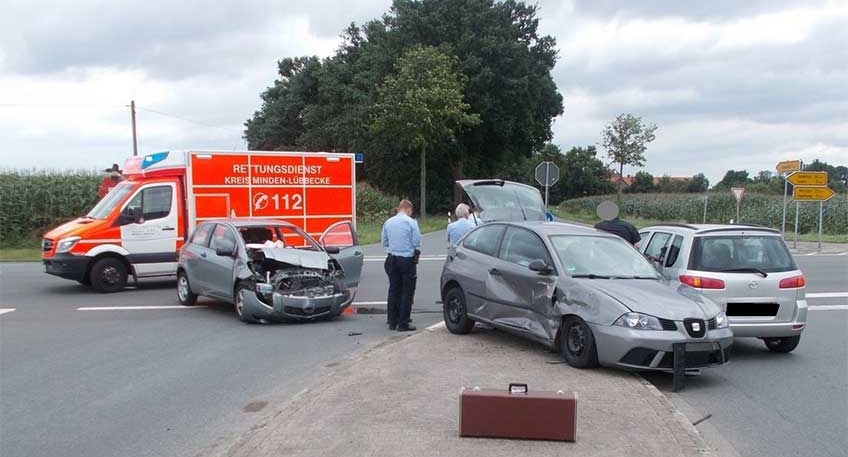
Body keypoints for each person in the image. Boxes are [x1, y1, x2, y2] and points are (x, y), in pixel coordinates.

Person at [381, 199, 421, 332]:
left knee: (393, 290)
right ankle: (403, 323)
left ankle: (392, 321)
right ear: (408, 209)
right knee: (407, 292)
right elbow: (416, 242)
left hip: (392, 258)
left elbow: (384, 242)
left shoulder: (388, 222)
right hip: (407, 259)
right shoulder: (411, 222)